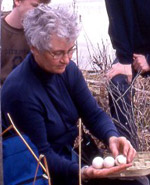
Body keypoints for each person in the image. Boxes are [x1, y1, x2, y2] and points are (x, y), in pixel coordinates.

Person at [2, 4, 148, 185]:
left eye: (70, 50)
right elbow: (41, 156)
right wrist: (83, 172)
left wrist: (112, 136)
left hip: (69, 158)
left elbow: (93, 114)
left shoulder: (67, 70)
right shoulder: (20, 92)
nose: (67, 59)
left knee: (139, 182)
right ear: (34, 48)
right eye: (57, 53)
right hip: (41, 173)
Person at [104, 0, 150, 150]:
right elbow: (116, 17)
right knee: (117, 83)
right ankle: (128, 153)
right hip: (132, 51)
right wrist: (124, 60)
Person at [1, 0, 51, 84]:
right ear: (17, 1)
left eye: (44, 7)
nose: (41, 13)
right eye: (35, 6)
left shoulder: (42, 32)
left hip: (30, 90)